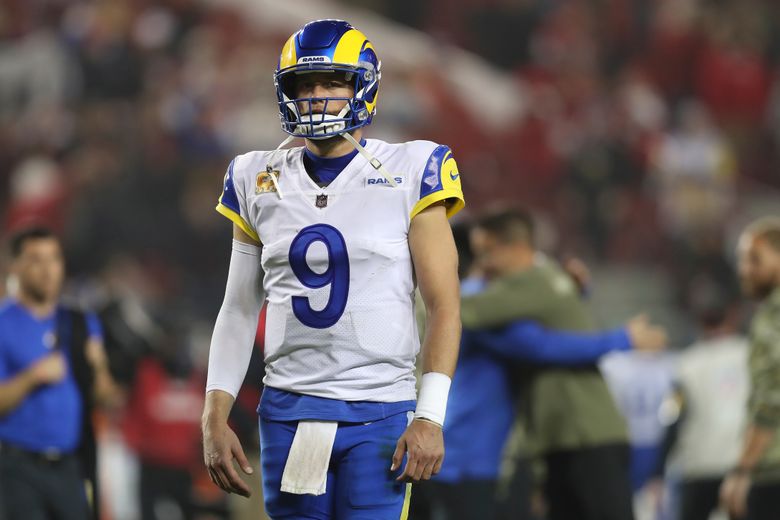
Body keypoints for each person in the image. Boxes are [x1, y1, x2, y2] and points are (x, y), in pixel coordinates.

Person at [201, 19, 464, 520]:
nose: (316, 95)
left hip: (380, 411)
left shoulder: (410, 169)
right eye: (304, 84)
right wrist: (214, 413)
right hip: (289, 411)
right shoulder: (256, 176)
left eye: (331, 82)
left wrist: (430, 414)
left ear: (362, 85)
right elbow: (237, 308)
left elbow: (444, 304)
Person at [456, 208, 642, 520]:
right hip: (562, 434)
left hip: (585, 434)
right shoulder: (550, 277)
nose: (482, 265)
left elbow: (463, 310)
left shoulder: (529, 284)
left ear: (514, 247)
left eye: (487, 253)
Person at [0, 227, 117, 520]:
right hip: (17, 467)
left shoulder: (79, 322)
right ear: (15, 266)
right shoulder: (3, 323)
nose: (47, 270)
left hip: (70, 465)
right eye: (36, 260)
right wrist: (33, 376)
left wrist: (99, 367)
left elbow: (105, 397)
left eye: (54, 259)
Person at [651, 279, 748, 520]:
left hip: (700, 464)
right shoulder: (750, 354)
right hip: (742, 464)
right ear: (732, 316)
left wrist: (657, 469)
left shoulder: (686, 364)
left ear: (698, 321)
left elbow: (672, 416)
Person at [720, 217, 780, 519]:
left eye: (755, 259)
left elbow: (771, 399)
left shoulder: (773, 317)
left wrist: (742, 470)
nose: (744, 269)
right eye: (742, 260)